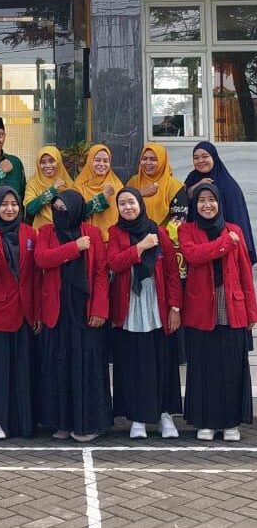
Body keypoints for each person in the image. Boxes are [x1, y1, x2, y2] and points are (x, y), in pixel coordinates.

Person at [178, 183, 257, 441]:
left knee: (231, 368)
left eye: (211, 200)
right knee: (205, 369)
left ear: (220, 203)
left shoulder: (235, 230)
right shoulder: (188, 230)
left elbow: (245, 273)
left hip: (231, 307)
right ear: (195, 205)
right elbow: (194, 256)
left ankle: (230, 423)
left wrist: (251, 312)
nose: (207, 205)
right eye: (201, 200)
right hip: (201, 311)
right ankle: (206, 422)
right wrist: (224, 244)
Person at [35, 189, 112, 442]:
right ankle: (62, 422)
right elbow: (42, 259)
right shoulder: (46, 232)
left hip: (85, 309)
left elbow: (101, 272)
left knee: (86, 365)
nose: (60, 213)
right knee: (59, 366)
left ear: (76, 209)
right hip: (57, 310)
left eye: (64, 209)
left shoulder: (92, 233)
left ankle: (87, 423)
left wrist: (99, 308)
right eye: (56, 208)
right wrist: (74, 247)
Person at [107, 187, 182, 439]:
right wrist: (139, 247)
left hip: (157, 306)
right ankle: (137, 417)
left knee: (162, 362)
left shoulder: (159, 232)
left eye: (131, 202)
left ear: (140, 204)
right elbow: (114, 263)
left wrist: (174, 307)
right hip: (129, 307)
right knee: (134, 363)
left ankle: (164, 415)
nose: (127, 207)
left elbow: (172, 273)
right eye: (122, 204)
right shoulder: (115, 233)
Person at [0, 186, 40, 439]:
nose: (9, 209)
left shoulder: (29, 233)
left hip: (25, 311)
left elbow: (35, 276)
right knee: (0, 370)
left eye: (14, 204)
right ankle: (0, 420)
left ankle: (24, 422)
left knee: (23, 369)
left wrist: (37, 311)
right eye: (4, 204)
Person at [185, 141, 256, 264]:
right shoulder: (192, 178)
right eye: (196, 158)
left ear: (214, 157)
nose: (200, 161)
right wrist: (197, 186)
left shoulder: (227, 185)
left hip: (224, 245)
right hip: (198, 243)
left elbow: (237, 219)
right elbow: (182, 200)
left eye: (205, 156)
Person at [24, 146, 110, 231]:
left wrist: (102, 198)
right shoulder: (33, 183)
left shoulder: (68, 183)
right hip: (41, 232)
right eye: (43, 162)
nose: (48, 165)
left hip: (65, 233)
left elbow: (80, 211)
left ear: (58, 161)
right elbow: (30, 209)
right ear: (38, 164)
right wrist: (52, 190)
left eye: (51, 161)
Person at [127, 143, 188, 226]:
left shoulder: (174, 186)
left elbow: (179, 220)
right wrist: (140, 193)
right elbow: (123, 206)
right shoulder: (133, 182)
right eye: (144, 159)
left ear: (162, 161)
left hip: (165, 233)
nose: (148, 163)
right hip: (135, 232)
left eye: (153, 159)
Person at [74, 144, 123, 242]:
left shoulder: (117, 185)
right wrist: (102, 197)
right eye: (97, 160)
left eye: (106, 161)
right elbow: (77, 213)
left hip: (112, 241)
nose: (102, 164)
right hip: (87, 241)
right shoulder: (79, 186)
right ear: (90, 161)